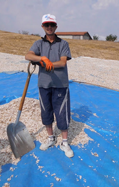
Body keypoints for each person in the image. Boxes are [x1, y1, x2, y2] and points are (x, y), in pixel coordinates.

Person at [25, 14, 73, 158]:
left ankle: (64, 142)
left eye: (52, 25)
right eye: (46, 25)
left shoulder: (63, 44)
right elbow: (28, 56)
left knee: (62, 113)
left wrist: (48, 64)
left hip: (60, 84)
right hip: (44, 84)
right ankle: (51, 138)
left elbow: (63, 62)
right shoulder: (38, 44)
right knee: (46, 112)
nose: (49, 27)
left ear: (56, 26)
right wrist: (42, 58)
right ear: (43, 27)